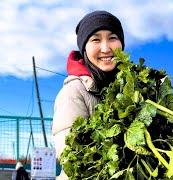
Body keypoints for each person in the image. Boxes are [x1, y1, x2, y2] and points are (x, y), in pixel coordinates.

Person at [52, 10, 125, 179]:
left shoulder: (134, 88)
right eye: (96, 39)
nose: (106, 48)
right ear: (84, 48)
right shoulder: (73, 91)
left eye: (112, 38)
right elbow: (72, 158)